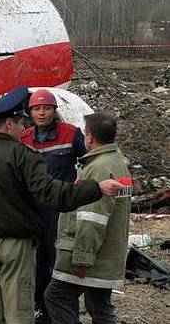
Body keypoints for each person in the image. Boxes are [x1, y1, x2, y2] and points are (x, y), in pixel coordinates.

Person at [0, 86, 125, 324]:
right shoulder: (23, 155)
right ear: (8, 125)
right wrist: (96, 188)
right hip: (16, 246)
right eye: (19, 123)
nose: (23, 128)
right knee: (18, 312)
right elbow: (51, 193)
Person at [45, 112, 131, 324]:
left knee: (56, 296)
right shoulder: (116, 162)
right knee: (99, 307)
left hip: (90, 254)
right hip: (107, 252)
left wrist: (82, 257)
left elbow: (92, 217)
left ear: (90, 137)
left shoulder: (98, 167)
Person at [20, 89, 87, 323]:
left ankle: (60, 307)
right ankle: (40, 307)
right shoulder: (25, 138)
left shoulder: (71, 134)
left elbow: (86, 163)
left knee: (59, 259)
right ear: (30, 112)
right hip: (34, 210)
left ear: (54, 110)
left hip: (61, 211)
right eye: (36, 109)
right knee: (36, 260)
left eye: (46, 108)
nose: (41, 113)